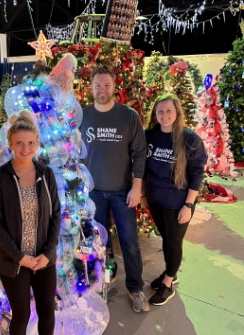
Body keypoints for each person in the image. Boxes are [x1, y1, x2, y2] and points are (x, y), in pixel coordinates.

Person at [79, 65, 149, 313]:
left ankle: (135, 287)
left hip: (122, 192)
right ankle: (99, 285)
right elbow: (73, 153)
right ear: (91, 87)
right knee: (98, 243)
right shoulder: (82, 116)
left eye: (106, 85)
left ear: (114, 87)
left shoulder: (128, 116)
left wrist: (137, 187)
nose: (102, 90)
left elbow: (140, 153)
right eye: (98, 85)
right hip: (93, 194)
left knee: (129, 242)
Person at [0, 111, 61, 335]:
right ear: (10, 144)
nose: (25, 148)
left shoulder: (46, 174)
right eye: (19, 143)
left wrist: (48, 253)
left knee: (47, 310)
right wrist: (20, 257)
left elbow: (56, 214)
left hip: (43, 258)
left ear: (37, 144)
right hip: (14, 261)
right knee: (22, 314)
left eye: (30, 143)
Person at [141, 94, 207, 306]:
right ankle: (171, 271)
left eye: (169, 110)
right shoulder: (149, 135)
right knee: (166, 239)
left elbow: (197, 173)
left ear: (177, 112)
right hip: (155, 199)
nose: (164, 115)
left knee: (174, 241)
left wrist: (188, 205)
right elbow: (141, 167)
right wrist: (143, 194)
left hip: (178, 202)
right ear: (154, 114)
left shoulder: (190, 139)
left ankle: (168, 283)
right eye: (160, 111)